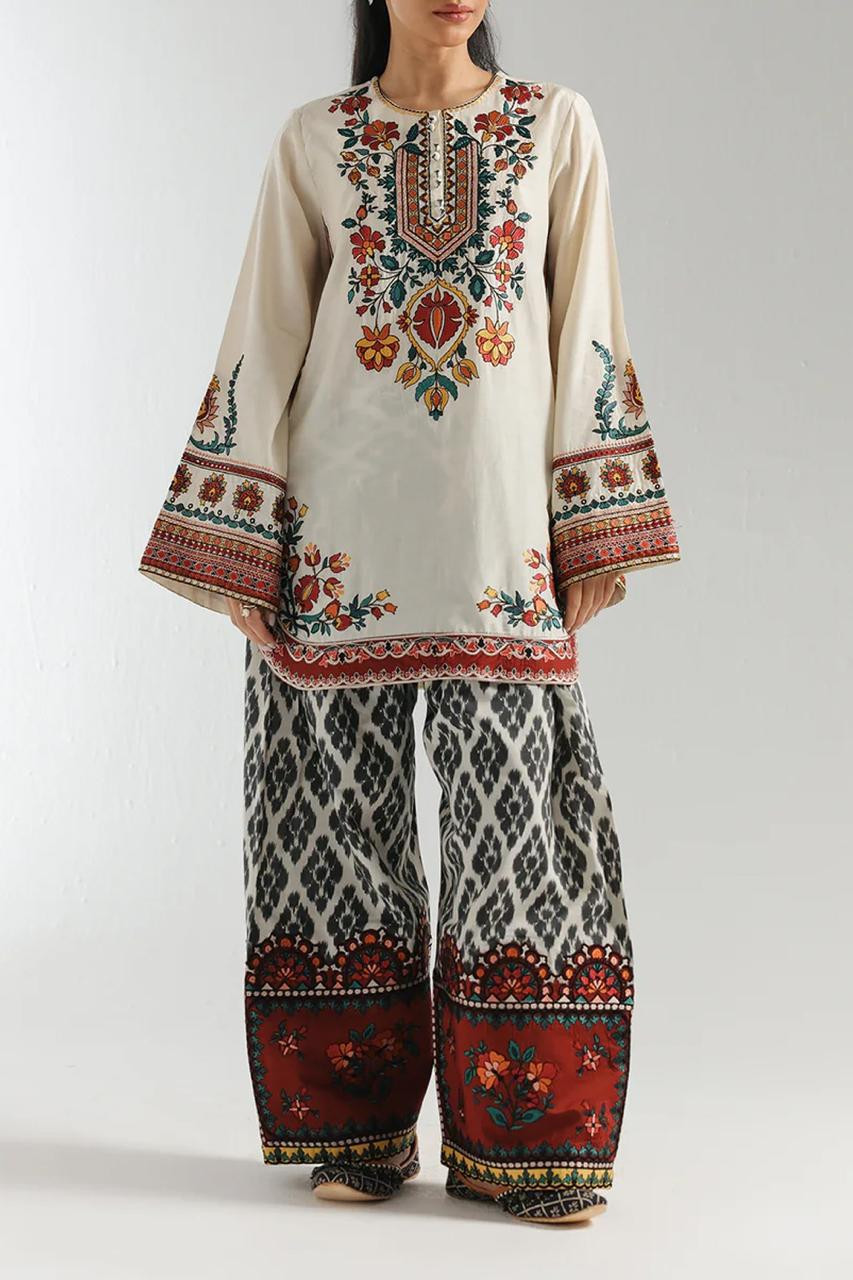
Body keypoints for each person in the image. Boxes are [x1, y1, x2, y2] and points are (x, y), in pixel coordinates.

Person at [138, 0, 680, 1226]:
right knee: (330, 840)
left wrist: (593, 518)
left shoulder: (555, 126)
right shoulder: (313, 139)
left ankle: (528, 1140)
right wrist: (240, 544)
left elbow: (589, 326)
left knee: (525, 843)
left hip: (501, 551)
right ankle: (357, 1129)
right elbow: (265, 335)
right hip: (335, 552)